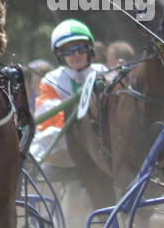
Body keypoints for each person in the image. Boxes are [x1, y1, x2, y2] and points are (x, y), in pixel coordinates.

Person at [30, 19, 108, 166]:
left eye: (81, 48)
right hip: (65, 150)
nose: (76, 55)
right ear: (60, 55)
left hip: (102, 143)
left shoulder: (104, 72)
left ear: (90, 49)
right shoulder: (50, 80)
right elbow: (51, 121)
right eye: (69, 52)